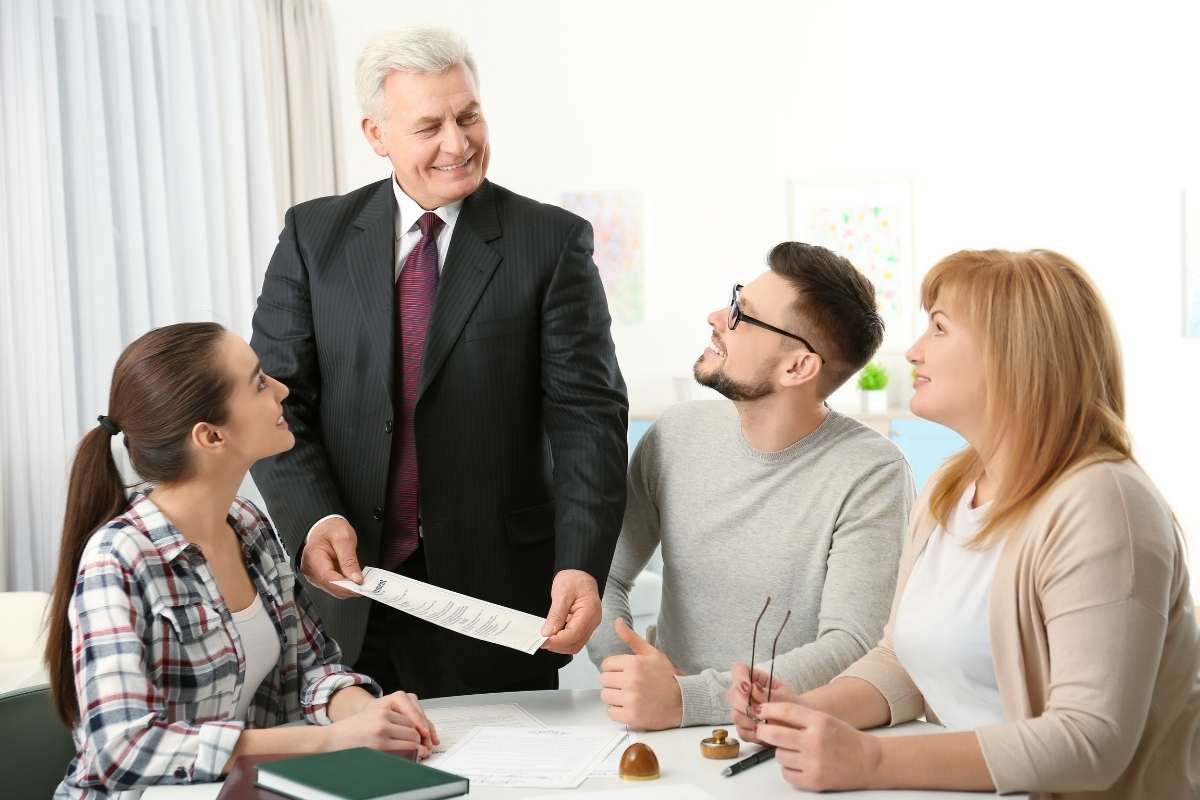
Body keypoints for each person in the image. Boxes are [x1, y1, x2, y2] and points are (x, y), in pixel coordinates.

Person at [727, 249, 1200, 797]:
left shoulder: (1103, 502)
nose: (913, 351)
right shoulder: (951, 486)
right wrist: (800, 713)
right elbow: (905, 662)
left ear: (1014, 354)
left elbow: (1090, 742)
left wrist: (872, 761)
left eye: (940, 328)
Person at [249, 26, 627, 698]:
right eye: (430, 126)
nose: (458, 142)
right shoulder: (313, 237)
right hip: (349, 602)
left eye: (469, 115)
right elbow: (276, 399)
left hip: (497, 605)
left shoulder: (551, 242)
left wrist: (582, 562)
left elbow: (587, 419)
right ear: (377, 133)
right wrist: (314, 518)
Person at [45, 323, 437, 798]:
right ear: (210, 436)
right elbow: (124, 749)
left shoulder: (247, 525)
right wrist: (328, 741)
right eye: (258, 383)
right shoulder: (118, 559)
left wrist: (366, 713)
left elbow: (311, 668)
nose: (282, 390)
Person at [587, 242, 913, 730]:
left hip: (784, 738)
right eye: (733, 298)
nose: (718, 316)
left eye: (743, 314)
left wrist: (690, 699)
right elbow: (604, 577)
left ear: (798, 367)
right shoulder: (675, 434)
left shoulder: (873, 472)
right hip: (659, 730)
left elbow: (852, 645)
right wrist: (630, 671)